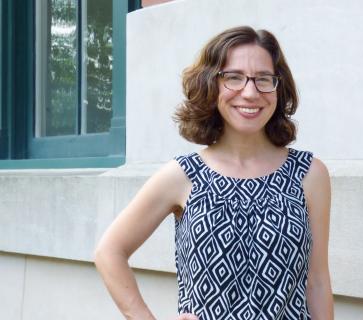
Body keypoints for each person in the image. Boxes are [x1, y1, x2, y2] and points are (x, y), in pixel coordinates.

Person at [94, 26, 333, 320]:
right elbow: (109, 252)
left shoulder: (310, 174)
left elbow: (317, 281)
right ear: (211, 84)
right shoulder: (182, 176)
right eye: (233, 77)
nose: (250, 92)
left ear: (278, 87)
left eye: (263, 79)